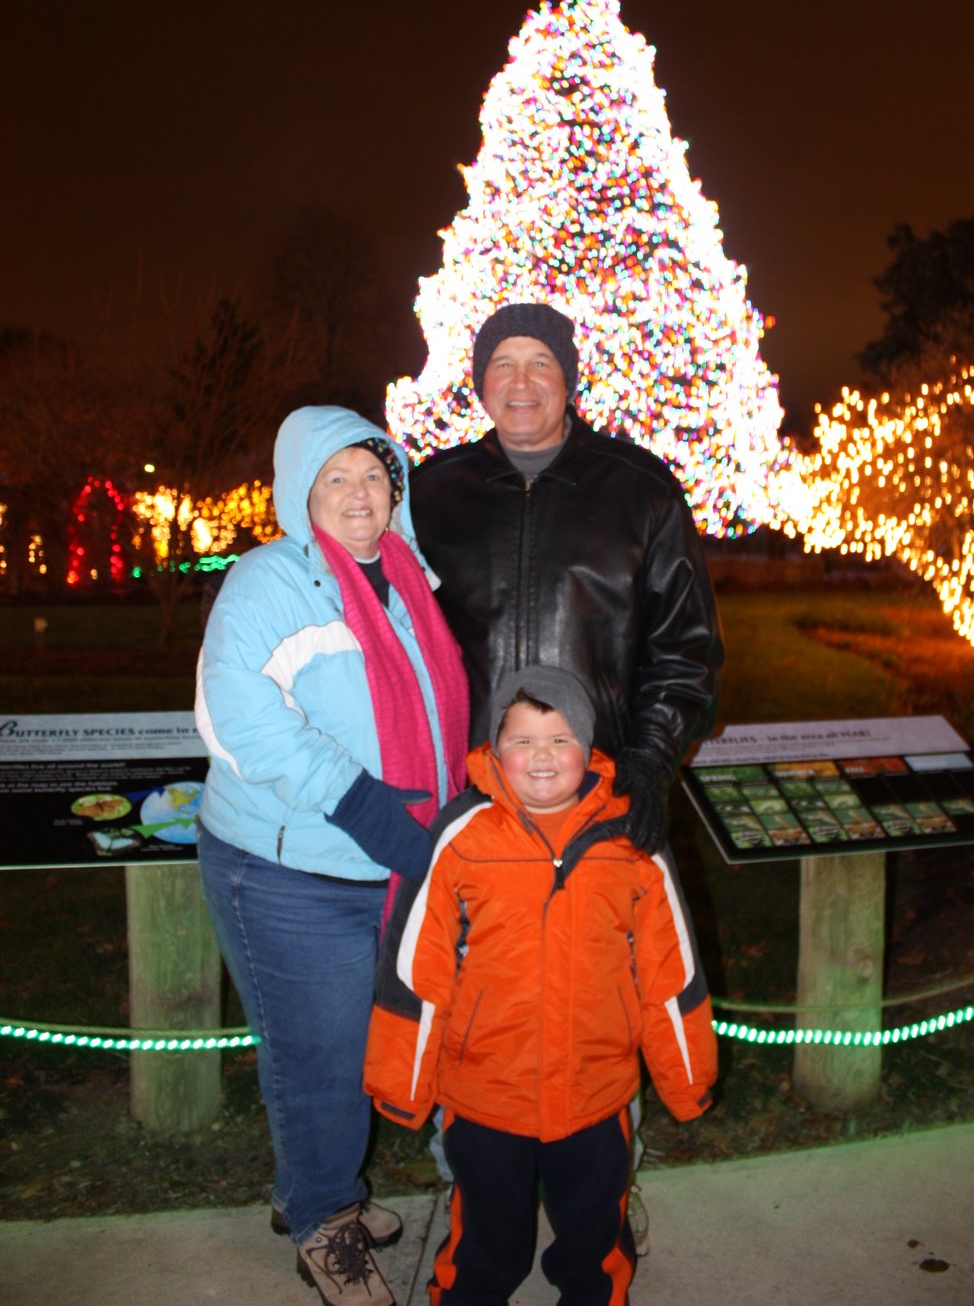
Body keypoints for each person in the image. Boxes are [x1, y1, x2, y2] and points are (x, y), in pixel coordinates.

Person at [196, 405, 469, 1306]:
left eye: (374, 475)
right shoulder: (267, 583)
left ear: (396, 488)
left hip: (384, 861)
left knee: (352, 1044)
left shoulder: (409, 577)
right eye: (335, 478)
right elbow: (242, 720)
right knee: (319, 1057)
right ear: (299, 493)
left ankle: (311, 1192)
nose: (359, 494)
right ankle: (323, 1220)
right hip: (288, 869)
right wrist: (368, 809)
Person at [365, 665, 717, 1306]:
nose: (543, 757)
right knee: (485, 1238)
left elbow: (671, 969)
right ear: (495, 749)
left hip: (594, 1089)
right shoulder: (461, 836)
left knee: (595, 1234)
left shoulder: (631, 837)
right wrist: (401, 1081)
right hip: (485, 1091)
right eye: (523, 740)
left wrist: (686, 1076)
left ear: (590, 747)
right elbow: (416, 964)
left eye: (561, 739)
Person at [409, 301, 724, 859]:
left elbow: (686, 651)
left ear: (569, 380)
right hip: (471, 793)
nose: (521, 382)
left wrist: (648, 760)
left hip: (601, 790)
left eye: (540, 362)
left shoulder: (641, 491)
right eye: (503, 364)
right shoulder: (431, 495)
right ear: (482, 383)